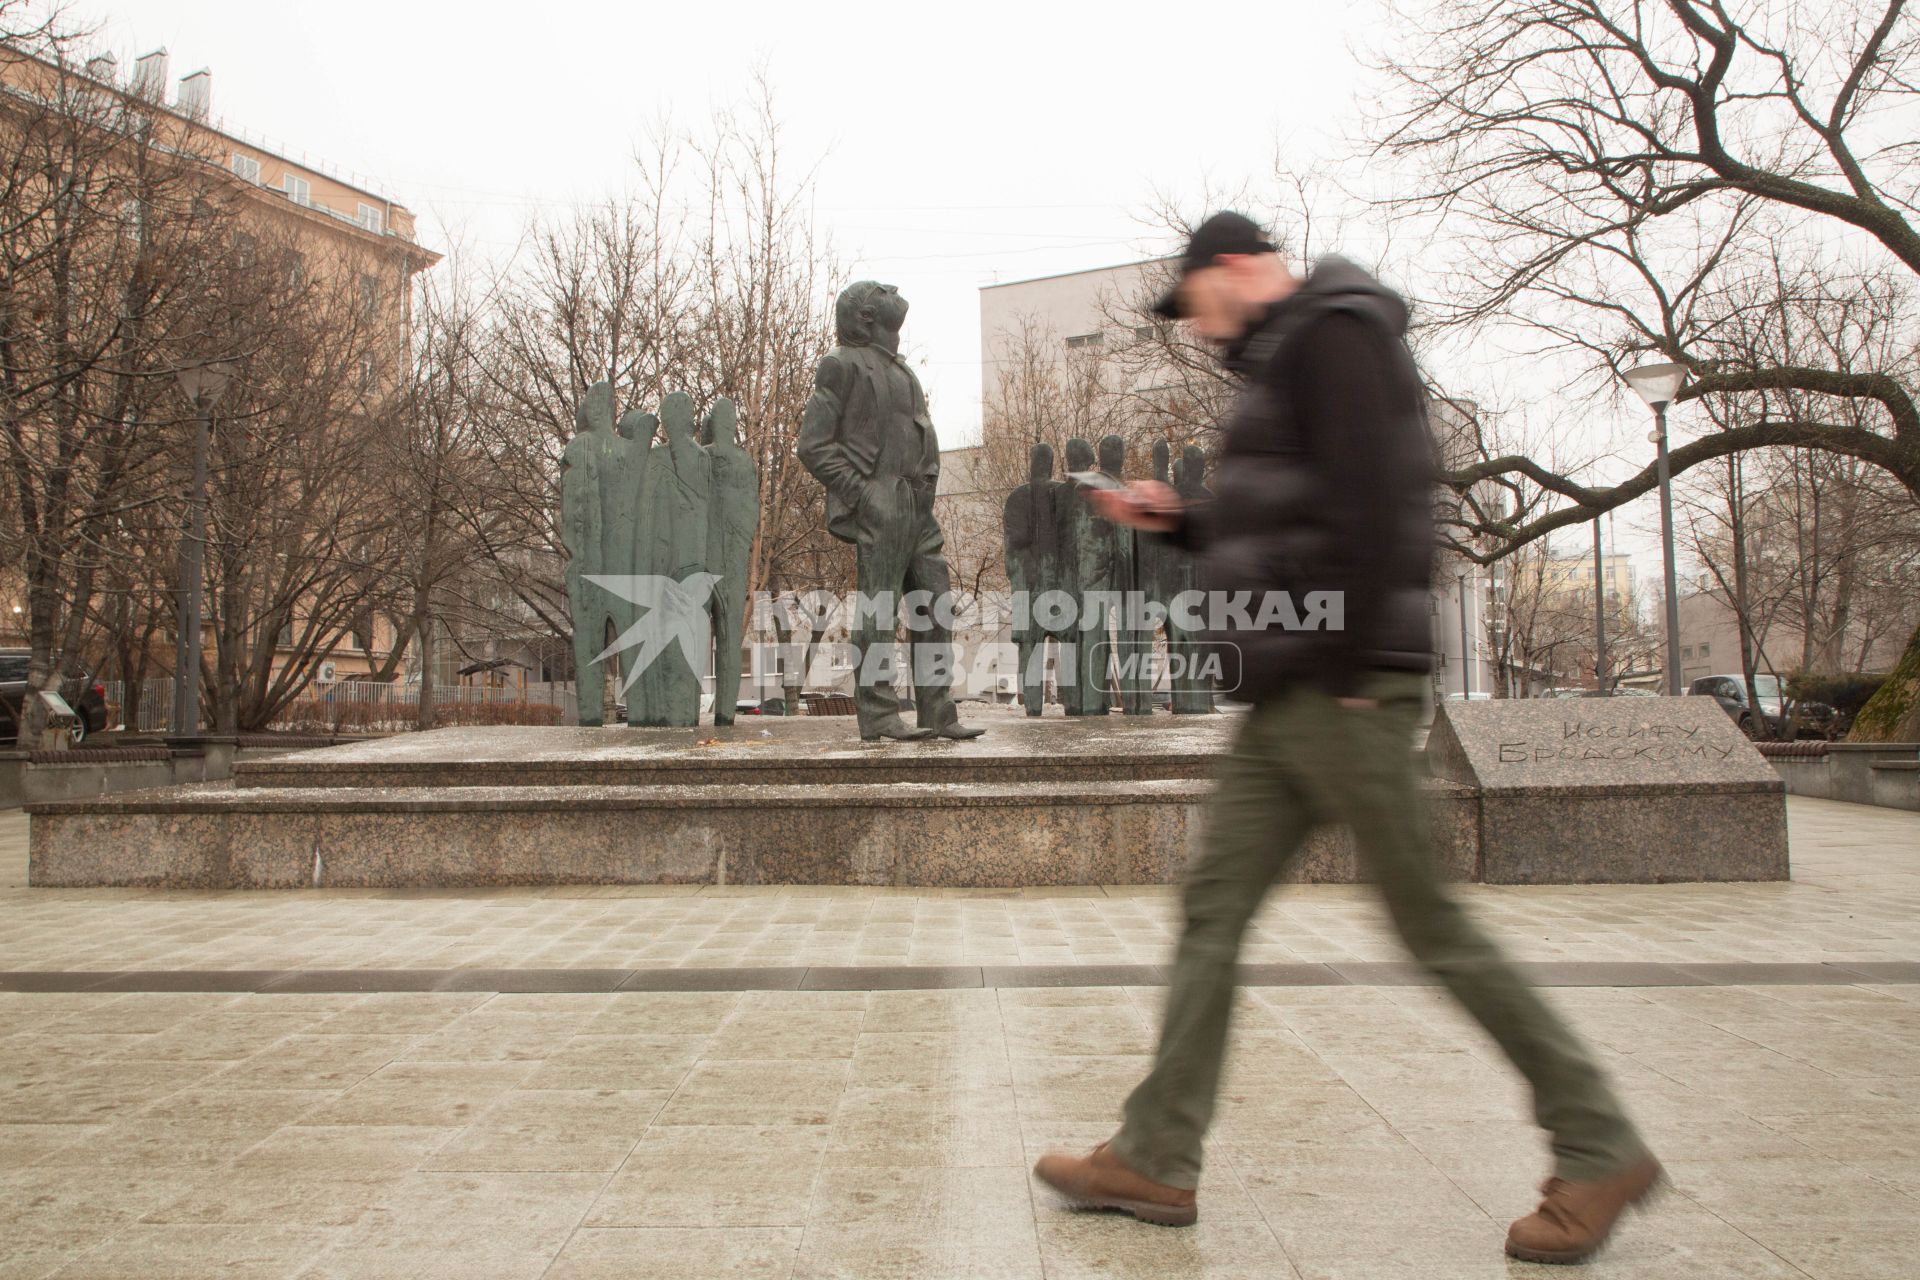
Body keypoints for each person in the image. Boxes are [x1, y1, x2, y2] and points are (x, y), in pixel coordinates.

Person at [1030, 212, 1661, 1266]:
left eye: (1196, 305)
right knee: (1214, 907)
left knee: (1428, 924)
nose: (1195, 328)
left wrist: (1361, 669)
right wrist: (1178, 518)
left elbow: (1386, 503)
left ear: (1235, 270)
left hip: (1341, 689)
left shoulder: (1337, 332)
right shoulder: (1285, 362)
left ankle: (1598, 1141)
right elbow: (1286, 520)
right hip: (1286, 695)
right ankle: (1153, 1153)